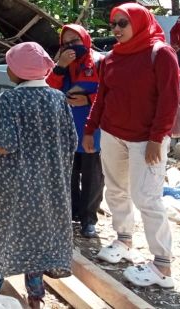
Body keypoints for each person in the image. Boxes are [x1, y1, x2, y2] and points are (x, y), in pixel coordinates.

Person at [84, 3, 179, 289]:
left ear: (139, 23)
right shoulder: (113, 57)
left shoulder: (160, 53)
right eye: (113, 24)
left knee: (146, 197)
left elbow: (169, 99)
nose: (116, 29)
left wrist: (156, 138)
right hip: (113, 134)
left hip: (146, 139)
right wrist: (91, 129)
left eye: (123, 23)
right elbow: (102, 96)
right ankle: (123, 239)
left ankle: (163, 264)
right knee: (115, 190)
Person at [0, 42, 77, 309]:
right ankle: (35, 296)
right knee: (38, 236)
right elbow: (71, 140)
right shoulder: (58, 98)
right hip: (49, 183)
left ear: (19, 71)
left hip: (17, 183)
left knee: (7, 233)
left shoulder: (10, 99)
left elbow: (6, 143)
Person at [46, 24, 104, 238]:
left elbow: (110, 94)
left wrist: (87, 99)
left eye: (75, 41)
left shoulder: (99, 62)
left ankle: (89, 218)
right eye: (66, 43)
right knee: (67, 176)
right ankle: (70, 213)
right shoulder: (62, 64)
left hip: (92, 130)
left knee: (92, 177)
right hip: (65, 131)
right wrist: (60, 66)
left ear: (86, 40)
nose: (71, 46)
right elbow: (50, 89)